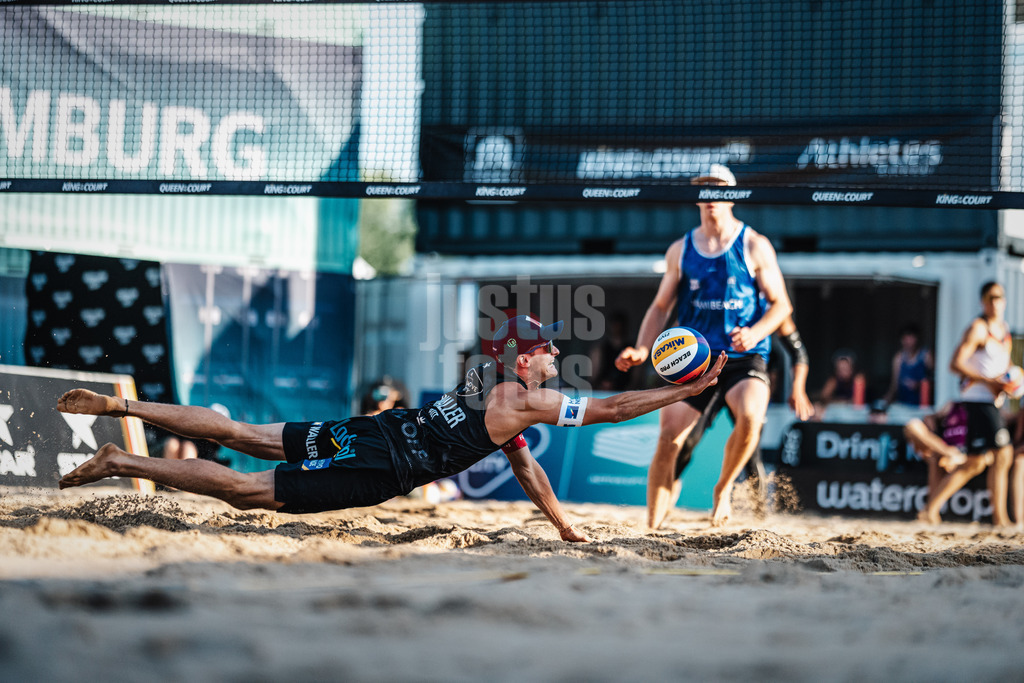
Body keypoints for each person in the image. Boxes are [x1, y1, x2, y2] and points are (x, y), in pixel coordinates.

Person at [57, 314, 726, 543]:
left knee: (251, 432)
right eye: (548, 348)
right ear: (525, 360)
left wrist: (561, 524)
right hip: (382, 465)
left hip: (377, 429)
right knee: (246, 490)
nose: (556, 355)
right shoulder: (523, 399)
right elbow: (609, 410)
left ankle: (125, 408)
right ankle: (124, 460)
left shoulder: (492, 393)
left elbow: (525, 466)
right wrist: (686, 387)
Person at [615, 164, 793, 528]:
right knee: (668, 441)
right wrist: (642, 348)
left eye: (719, 188)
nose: (711, 195)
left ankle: (724, 489)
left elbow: (782, 306)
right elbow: (661, 306)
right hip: (693, 359)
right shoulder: (680, 249)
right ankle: (652, 526)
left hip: (743, 356)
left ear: (733, 194)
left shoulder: (754, 245)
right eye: (704, 188)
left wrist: (757, 331)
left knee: (751, 418)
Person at [669, 315, 813, 516]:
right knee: (688, 440)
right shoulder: (708, 299)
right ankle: (668, 493)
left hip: (748, 376)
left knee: (751, 452)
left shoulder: (770, 308)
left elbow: (798, 353)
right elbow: (677, 331)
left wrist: (798, 388)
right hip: (711, 375)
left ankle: (760, 513)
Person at [916, 281, 1015, 526]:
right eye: (991, 297)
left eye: (999, 297)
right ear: (983, 302)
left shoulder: (1004, 330)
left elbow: (1000, 369)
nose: (995, 302)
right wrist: (989, 382)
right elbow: (955, 364)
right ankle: (1000, 519)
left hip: (991, 401)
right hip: (976, 402)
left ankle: (930, 508)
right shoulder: (978, 328)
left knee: (976, 463)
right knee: (1003, 454)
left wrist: (1008, 383)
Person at [883, 324, 934, 407]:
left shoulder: (926, 356)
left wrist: (919, 385)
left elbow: (936, 380)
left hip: (922, 406)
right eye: (905, 339)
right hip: (903, 404)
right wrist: (886, 400)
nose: (908, 342)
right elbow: (894, 385)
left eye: (910, 338)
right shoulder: (898, 358)